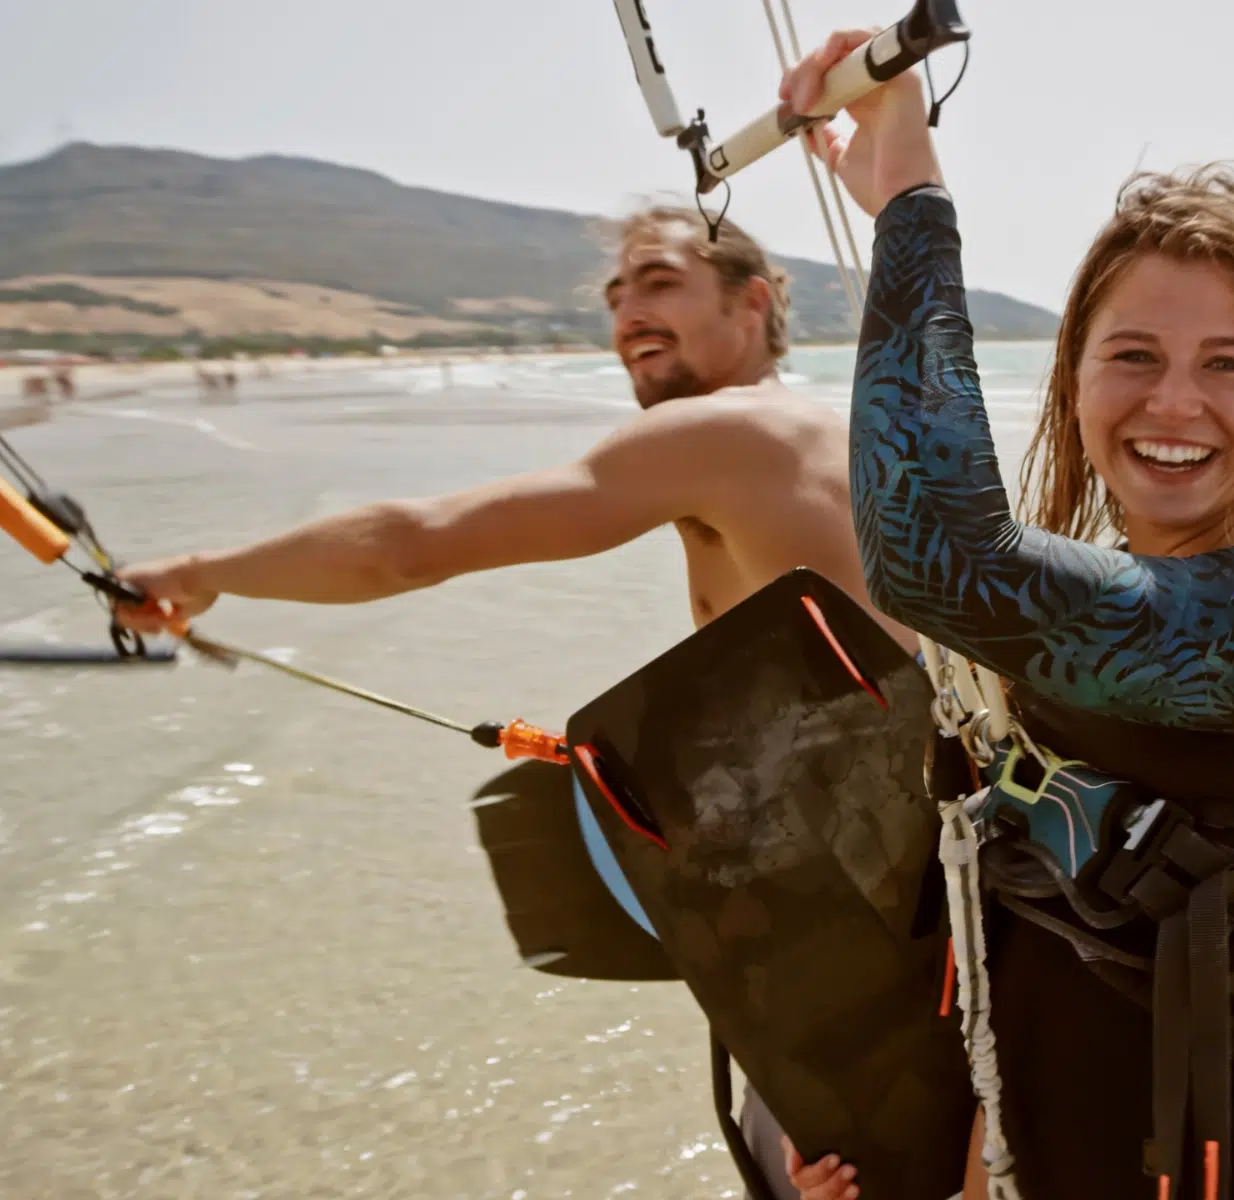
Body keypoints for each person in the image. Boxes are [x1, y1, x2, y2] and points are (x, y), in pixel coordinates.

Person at [112, 203, 901, 1200]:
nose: (626, 313)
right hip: (914, 887)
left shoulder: (721, 432)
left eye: (658, 283)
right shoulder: (849, 436)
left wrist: (200, 569)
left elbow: (413, 541)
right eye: (617, 294)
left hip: (846, 935)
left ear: (753, 303)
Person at [780, 30, 1234, 1200]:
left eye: (1228, 364)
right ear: (1075, 377)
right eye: (1133, 354)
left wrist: (910, 196)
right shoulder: (1061, 636)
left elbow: (937, 559)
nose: (1174, 402)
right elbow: (1021, 977)